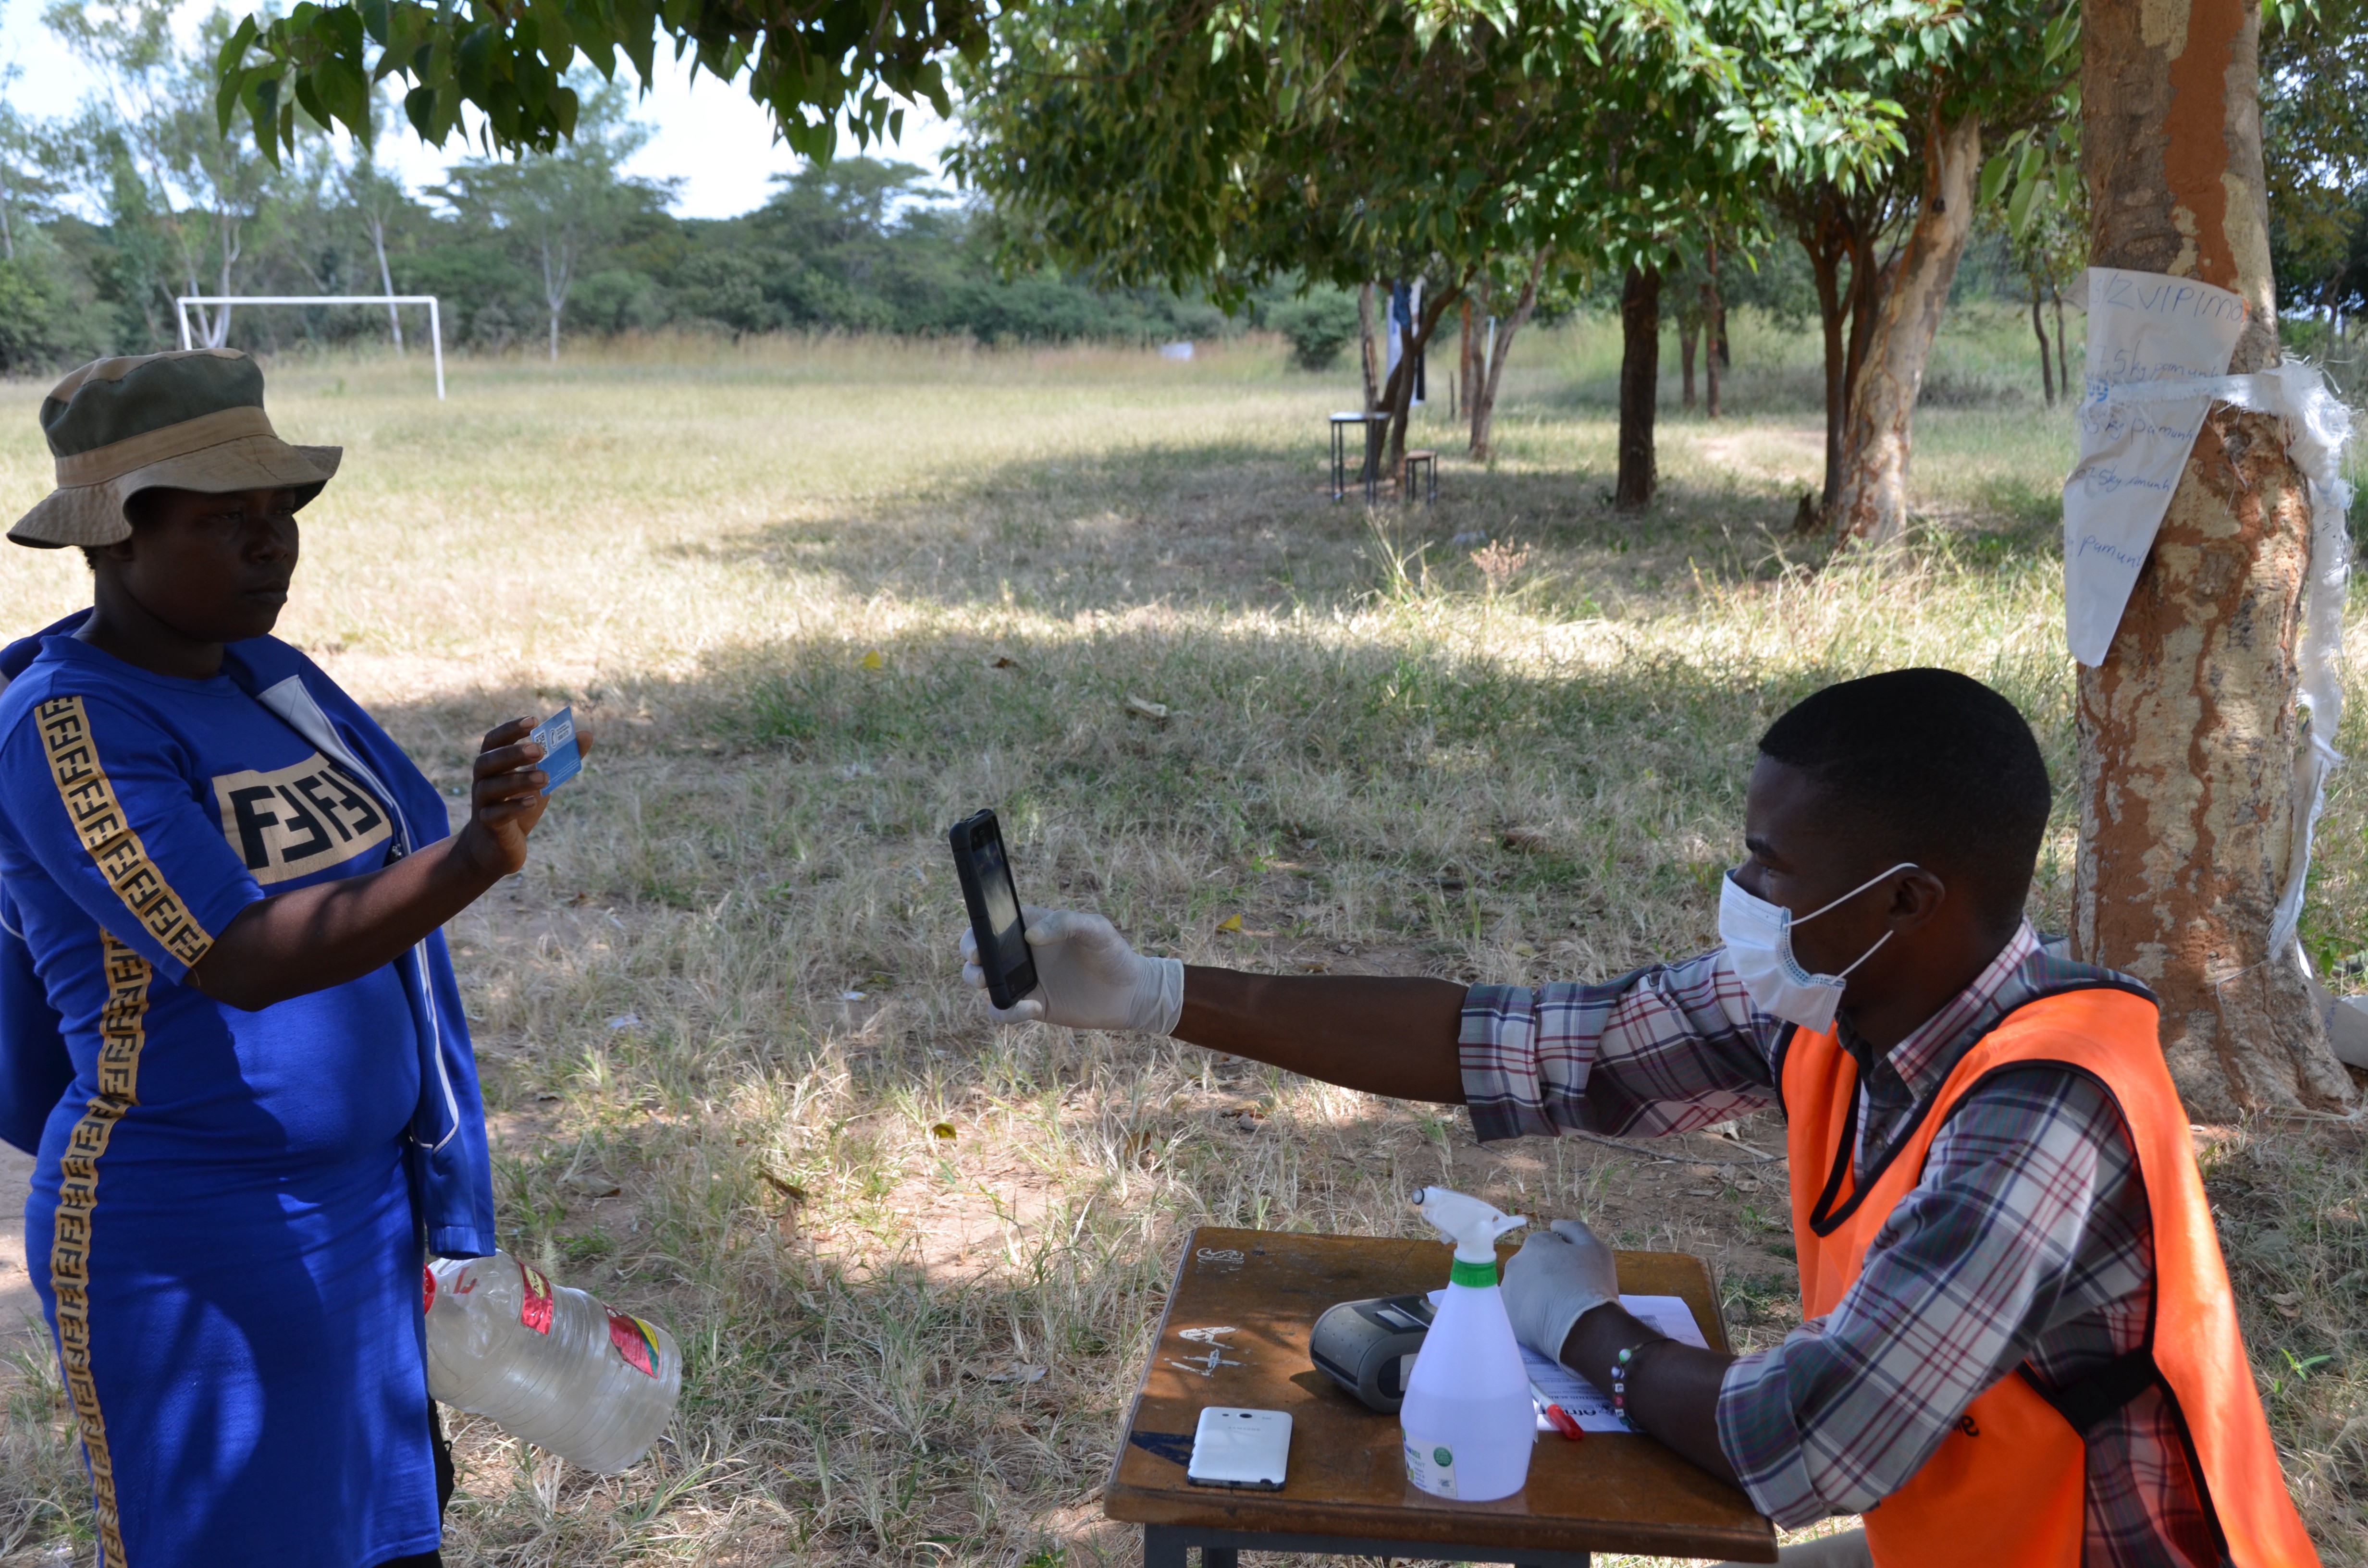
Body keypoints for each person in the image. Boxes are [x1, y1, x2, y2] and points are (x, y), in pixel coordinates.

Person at [959, 668, 2320, 1568]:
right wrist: (1160, 997)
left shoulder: (2042, 1115)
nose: (1742, 886)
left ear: (1910, 897)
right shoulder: (1844, 1000)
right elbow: (1522, 1041)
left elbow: (1803, 1445)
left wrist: (1582, 1331)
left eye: (1774, 865)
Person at [0, 349, 555, 1568]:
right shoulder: (70, 723)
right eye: (223, 521)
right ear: (115, 541)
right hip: (189, 1228)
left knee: (378, 1535)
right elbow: (238, 955)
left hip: (363, 1211)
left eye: (278, 515)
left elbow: (386, 875)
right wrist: (473, 858)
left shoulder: (274, 679)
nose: (272, 547)